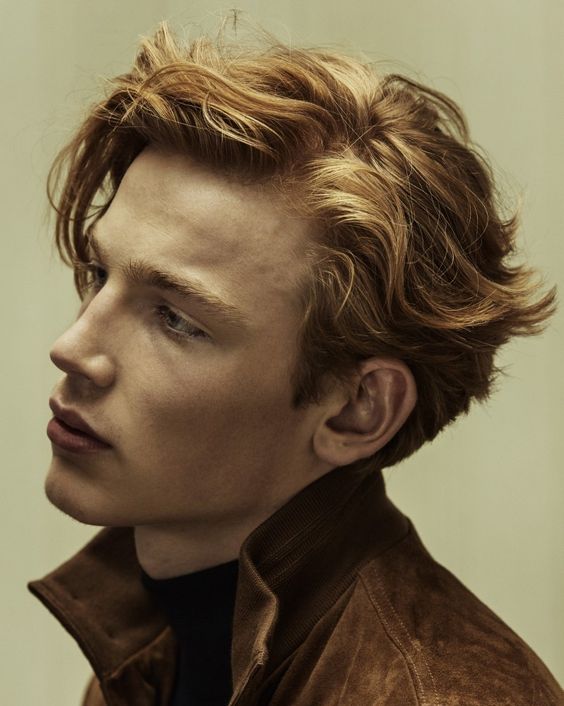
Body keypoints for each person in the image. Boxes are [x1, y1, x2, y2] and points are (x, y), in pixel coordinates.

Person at [28, 19, 562, 706]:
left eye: (176, 319)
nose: (72, 348)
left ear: (356, 408)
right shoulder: (162, 641)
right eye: (100, 274)